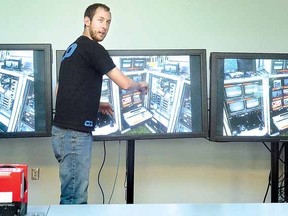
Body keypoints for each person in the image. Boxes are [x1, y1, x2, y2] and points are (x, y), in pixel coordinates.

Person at [51, 3, 148, 205]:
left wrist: (95, 104)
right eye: (100, 20)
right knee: (74, 199)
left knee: (69, 194)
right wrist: (140, 85)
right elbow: (123, 82)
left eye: (108, 22)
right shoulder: (93, 48)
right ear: (87, 21)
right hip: (75, 135)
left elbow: (61, 91)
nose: (104, 26)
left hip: (61, 132)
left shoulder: (73, 48)